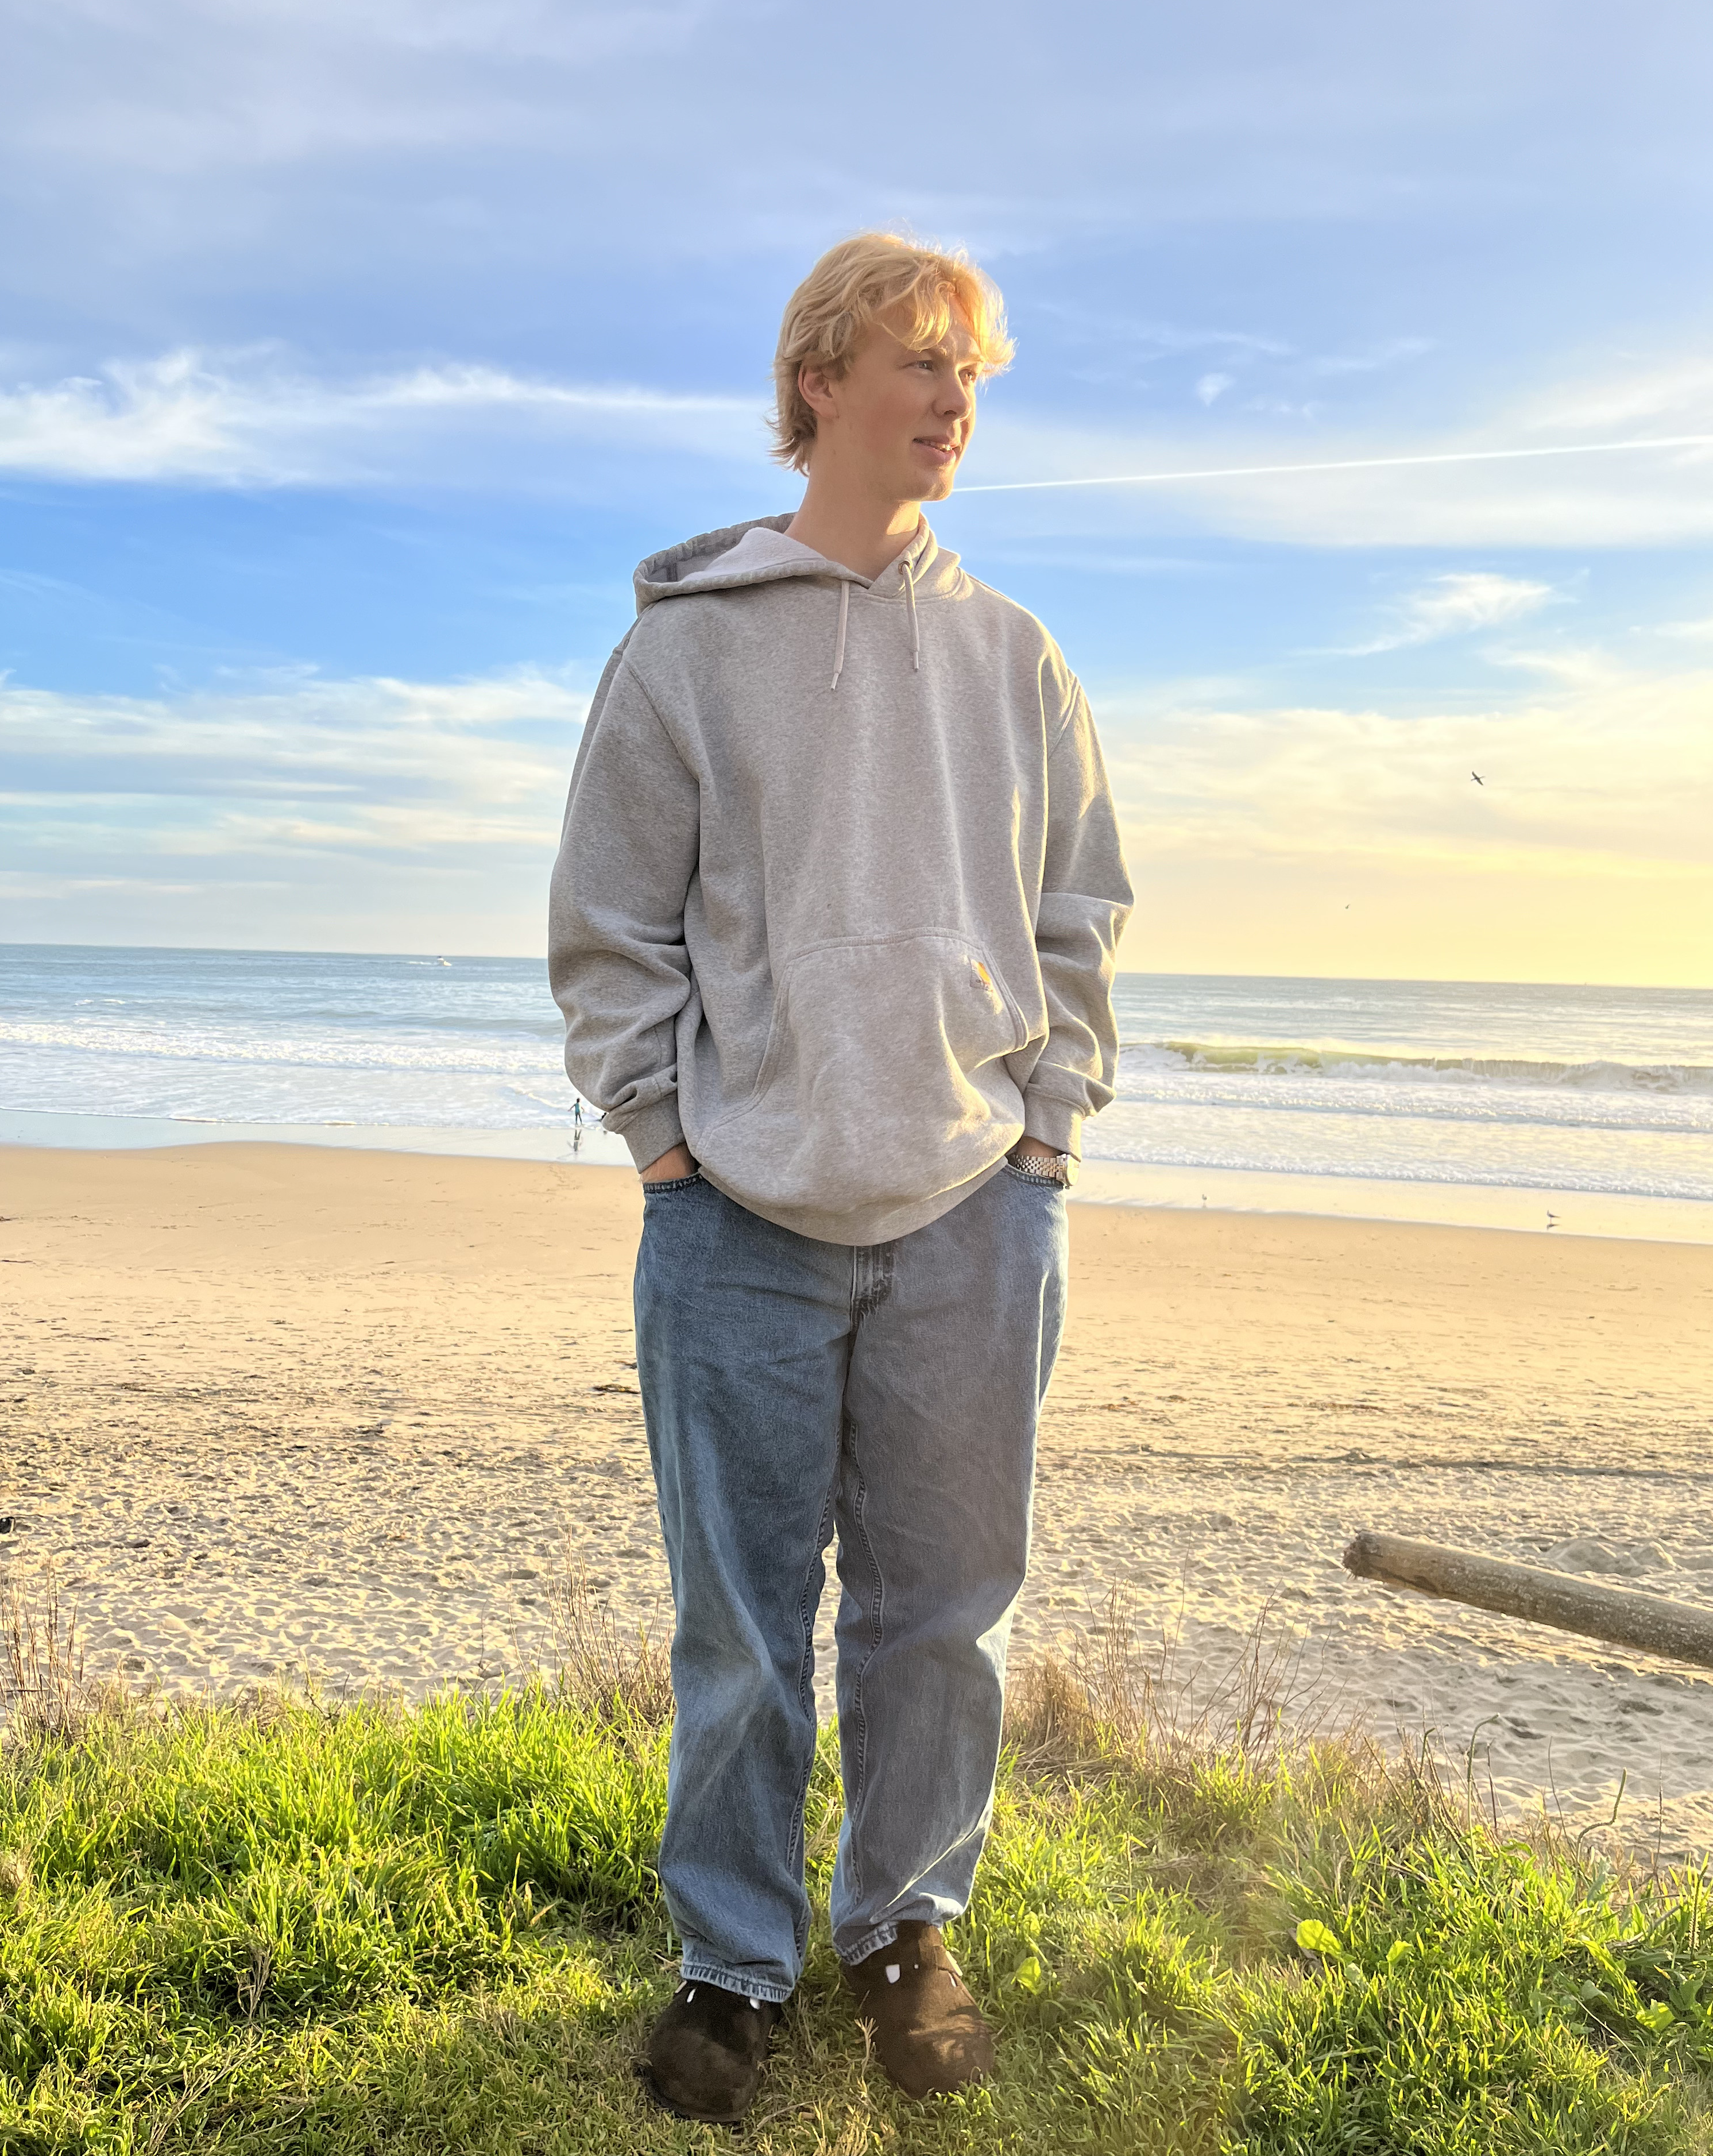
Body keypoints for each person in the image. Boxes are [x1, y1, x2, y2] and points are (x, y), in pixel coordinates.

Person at [548, 232, 1132, 2123]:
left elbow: (1079, 911)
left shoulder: (1013, 653)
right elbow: (612, 924)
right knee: (737, 1625)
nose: (956, 400)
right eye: (921, 363)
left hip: (978, 1205)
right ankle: (733, 1968)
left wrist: (1047, 1128)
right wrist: (660, 1137)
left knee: (944, 1612)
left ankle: (903, 1933)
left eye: (974, 372)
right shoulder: (687, 648)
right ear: (819, 381)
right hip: (737, 1222)